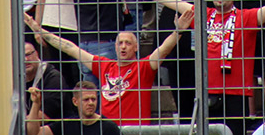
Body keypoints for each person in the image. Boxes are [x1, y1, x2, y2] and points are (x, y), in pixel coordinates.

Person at [119, 0, 265, 135]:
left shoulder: (246, 17)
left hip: (235, 95)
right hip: (208, 94)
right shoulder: (203, 15)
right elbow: (171, 0)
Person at [25, 8, 191, 125]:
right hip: (107, 130)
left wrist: (178, 32)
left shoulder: (144, 67)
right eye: (120, 43)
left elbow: (163, 50)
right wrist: (40, 31)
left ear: (136, 47)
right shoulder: (104, 65)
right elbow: (71, 48)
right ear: (115, 47)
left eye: (128, 43)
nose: (123, 47)